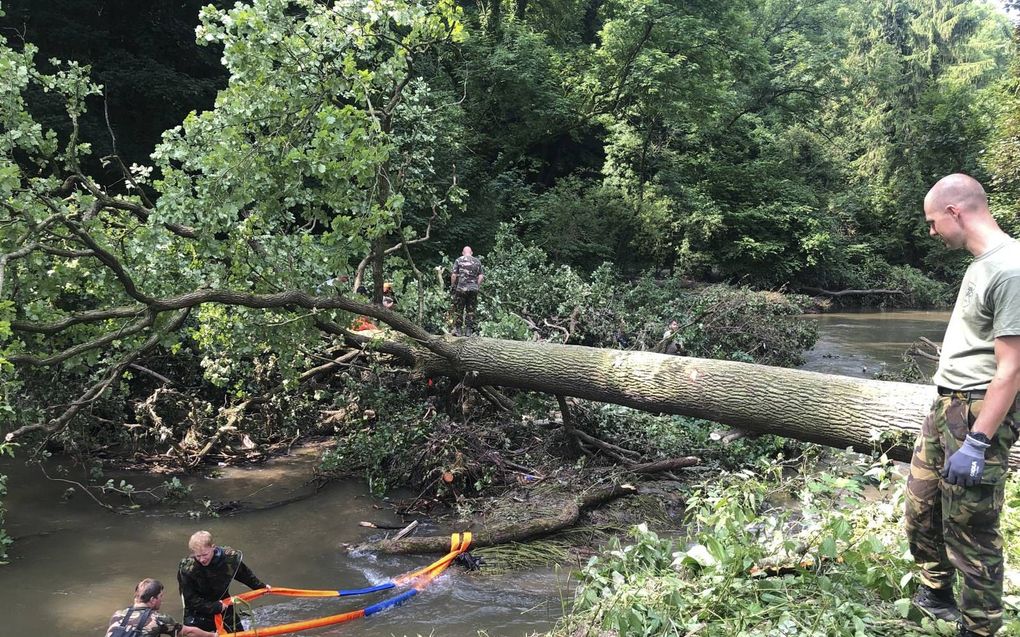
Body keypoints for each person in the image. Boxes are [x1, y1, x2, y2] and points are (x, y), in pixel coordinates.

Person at [905, 174, 1020, 637]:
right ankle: (935, 592)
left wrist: (978, 441)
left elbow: (1012, 369)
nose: (932, 232)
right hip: (946, 405)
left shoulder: (1011, 269)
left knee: (971, 524)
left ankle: (981, 627)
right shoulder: (984, 263)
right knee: (922, 506)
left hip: (977, 412)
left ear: (955, 211)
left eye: (934, 222)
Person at [178, 530, 269, 633]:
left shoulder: (229, 558)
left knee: (238, 634)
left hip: (223, 602)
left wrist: (261, 587)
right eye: (198, 556)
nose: (202, 559)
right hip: (197, 610)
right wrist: (214, 607)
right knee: (190, 633)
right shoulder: (187, 568)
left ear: (213, 547)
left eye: (205, 554)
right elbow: (190, 599)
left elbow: (245, 575)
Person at [105, 578, 215, 637]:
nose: (161, 600)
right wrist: (213, 635)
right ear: (153, 600)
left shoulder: (118, 615)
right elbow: (188, 632)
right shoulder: (158, 619)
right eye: (160, 597)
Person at [449, 246, 484, 335]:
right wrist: (477, 286)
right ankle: (468, 330)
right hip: (473, 289)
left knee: (459, 309)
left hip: (461, 289)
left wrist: (453, 286)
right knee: (471, 310)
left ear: (463, 253)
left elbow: (454, 275)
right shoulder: (477, 261)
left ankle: (458, 330)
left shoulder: (459, 260)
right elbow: (481, 276)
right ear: (471, 252)